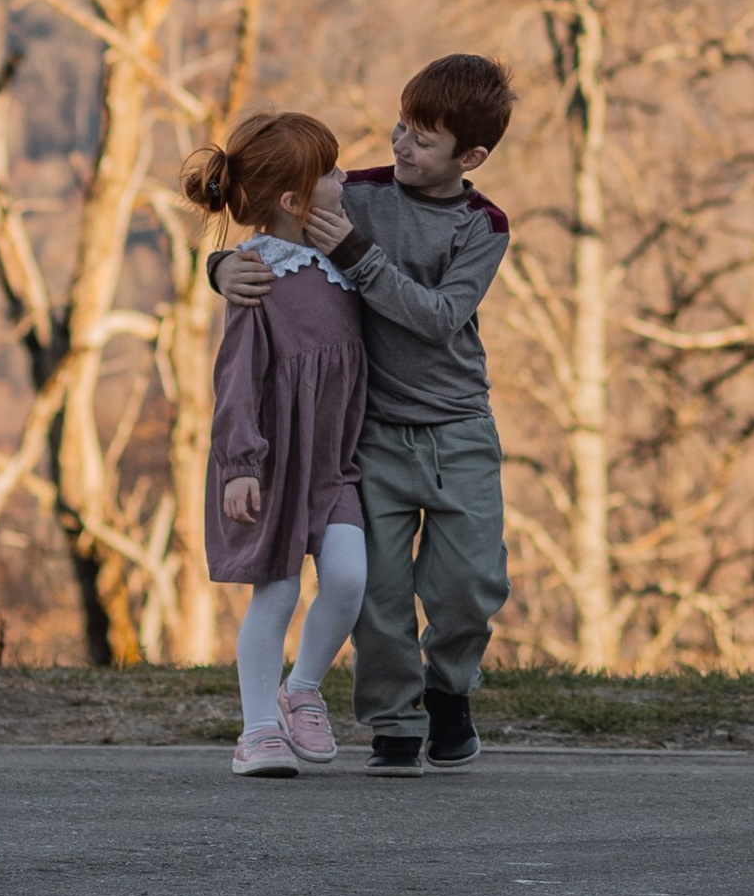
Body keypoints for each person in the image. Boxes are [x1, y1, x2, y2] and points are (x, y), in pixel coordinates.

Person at [213, 53, 512, 772]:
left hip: (458, 426)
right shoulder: (358, 195)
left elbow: (440, 317)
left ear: (469, 156)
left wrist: (357, 254)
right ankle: (395, 721)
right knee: (377, 592)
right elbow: (270, 226)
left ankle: (448, 691)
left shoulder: (483, 226)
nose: (399, 145)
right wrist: (219, 268)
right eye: (400, 126)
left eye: (422, 138)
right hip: (369, 431)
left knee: (470, 585)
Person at [186, 107, 369, 778]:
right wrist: (240, 464)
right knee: (279, 594)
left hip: (335, 467)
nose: (344, 176)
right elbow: (236, 377)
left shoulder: (344, 257)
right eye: (329, 172)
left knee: (349, 579)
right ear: (294, 201)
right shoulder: (259, 273)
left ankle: (302, 689)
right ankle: (257, 730)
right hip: (273, 465)